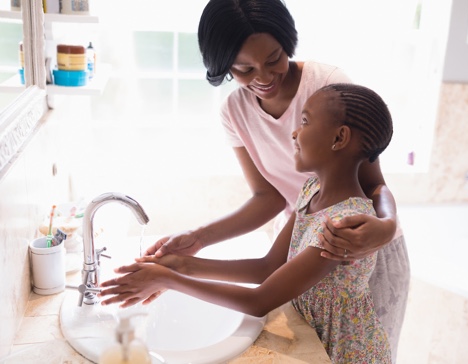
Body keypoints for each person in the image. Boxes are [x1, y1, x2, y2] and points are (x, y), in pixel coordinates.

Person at [145, 0, 410, 361]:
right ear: (223, 65)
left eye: (274, 59)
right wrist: (196, 242)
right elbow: (267, 198)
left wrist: (385, 225)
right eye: (244, 68)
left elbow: (374, 183)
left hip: (360, 246)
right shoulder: (236, 113)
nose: (264, 77)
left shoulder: (326, 90)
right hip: (305, 240)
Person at [100, 83, 395, 363]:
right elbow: (269, 268)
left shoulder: (344, 224)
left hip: (346, 354)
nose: (294, 133)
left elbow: (260, 300)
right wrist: (182, 265)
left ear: (339, 138)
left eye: (305, 122)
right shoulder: (311, 191)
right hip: (315, 339)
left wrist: (168, 279)